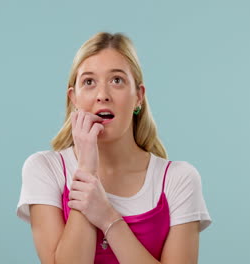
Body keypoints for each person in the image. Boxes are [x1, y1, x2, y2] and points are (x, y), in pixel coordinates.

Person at [16, 32, 212, 264]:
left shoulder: (179, 179)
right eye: (89, 82)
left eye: (117, 80)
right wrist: (87, 170)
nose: (102, 95)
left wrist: (108, 219)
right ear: (74, 99)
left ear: (138, 97)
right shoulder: (44, 169)